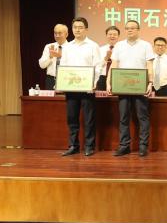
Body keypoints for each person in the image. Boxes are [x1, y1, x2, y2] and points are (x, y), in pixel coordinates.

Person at [108, 20, 155, 156]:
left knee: (142, 117)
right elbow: (114, 65)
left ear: (138, 30)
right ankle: (124, 146)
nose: (130, 30)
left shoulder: (146, 45)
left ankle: (143, 146)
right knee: (123, 117)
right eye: (127, 28)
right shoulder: (119, 45)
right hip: (122, 87)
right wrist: (109, 82)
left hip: (140, 86)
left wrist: (150, 83)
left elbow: (149, 66)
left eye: (133, 28)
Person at [60, 17, 101, 157]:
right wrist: (62, 82)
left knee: (89, 118)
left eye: (80, 27)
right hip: (71, 87)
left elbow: (98, 66)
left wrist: (94, 82)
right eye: (75, 27)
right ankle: (73, 146)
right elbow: (63, 65)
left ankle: (89, 146)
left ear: (86, 29)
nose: (77, 30)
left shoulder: (93, 46)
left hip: (87, 87)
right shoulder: (67, 47)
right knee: (72, 118)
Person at [37, 23, 68, 90]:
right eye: (55, 33)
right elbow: (42, 65)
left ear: (66, 34)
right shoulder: (49, 46)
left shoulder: (72, 48)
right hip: (50, 80)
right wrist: (50, 57)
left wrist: (61, 57)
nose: (57, 35)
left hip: (66, 79)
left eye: (60, 33)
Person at [96, 25, 121, 91]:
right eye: (110, 34)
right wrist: (106, 58)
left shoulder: (122, 49)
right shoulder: (100, 49)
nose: (112, 36)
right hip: (102, 77)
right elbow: (98, 66)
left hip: (117, 77)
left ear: (118, 36)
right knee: (101, 96)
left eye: (115, 34)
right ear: (106, 35)